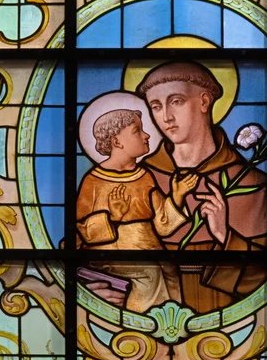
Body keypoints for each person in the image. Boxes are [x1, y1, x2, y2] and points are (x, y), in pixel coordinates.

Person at [135, 61, 267, 311]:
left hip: (232, 328)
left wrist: (225, 235)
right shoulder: (140, 179)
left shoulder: (254, 186)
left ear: (204, 102)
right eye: (156, 106)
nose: (165, 116)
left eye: (176, 101)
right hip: (143, 321)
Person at [76, 108, 198, 311]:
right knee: (150, 272)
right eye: (137, 130)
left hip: (150, 250)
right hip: (110, 257)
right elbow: (82, 230)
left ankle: (170, 327)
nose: (147, 135)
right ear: (116, 141)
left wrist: (177, 196)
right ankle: (140, 326)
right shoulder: (94, 181)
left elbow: (162, 226)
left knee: (168, 269)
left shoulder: (144, 176)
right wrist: (113, 217)